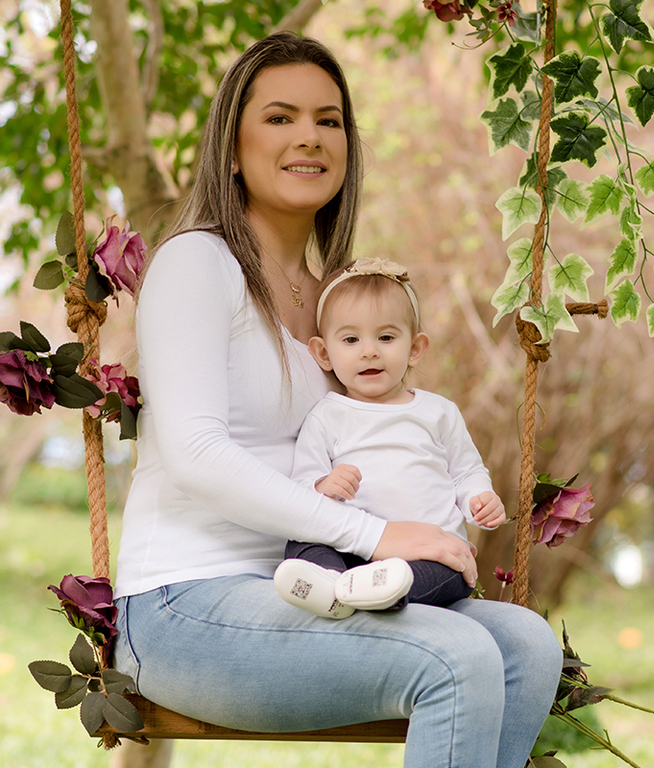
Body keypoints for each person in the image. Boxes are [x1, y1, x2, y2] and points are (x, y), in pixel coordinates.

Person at [111, 31, 562, 768]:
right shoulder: (196, 262)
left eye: (329, 120)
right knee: (454, 658)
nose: (310, 137)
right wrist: (377, 537)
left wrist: (439, 525)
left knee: (526, 646)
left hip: (317, 587)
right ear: (232, 148)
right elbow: (195, 454)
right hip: (184, 603)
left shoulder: (338, 307)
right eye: (280, 117)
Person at [274, 257, 507, 619]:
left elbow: (466, 471)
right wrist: (324, 485)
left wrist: (479, 497)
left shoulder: (438, 412)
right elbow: (303, 488)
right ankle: (330, 582)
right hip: (353, 549)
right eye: (351, 339)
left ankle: (380, 593)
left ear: (415, 348)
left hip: (430, 552)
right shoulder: (326, 416)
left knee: (449, 571)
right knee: (303, 541)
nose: (369, 351)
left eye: (386, 337)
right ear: (323, 353)